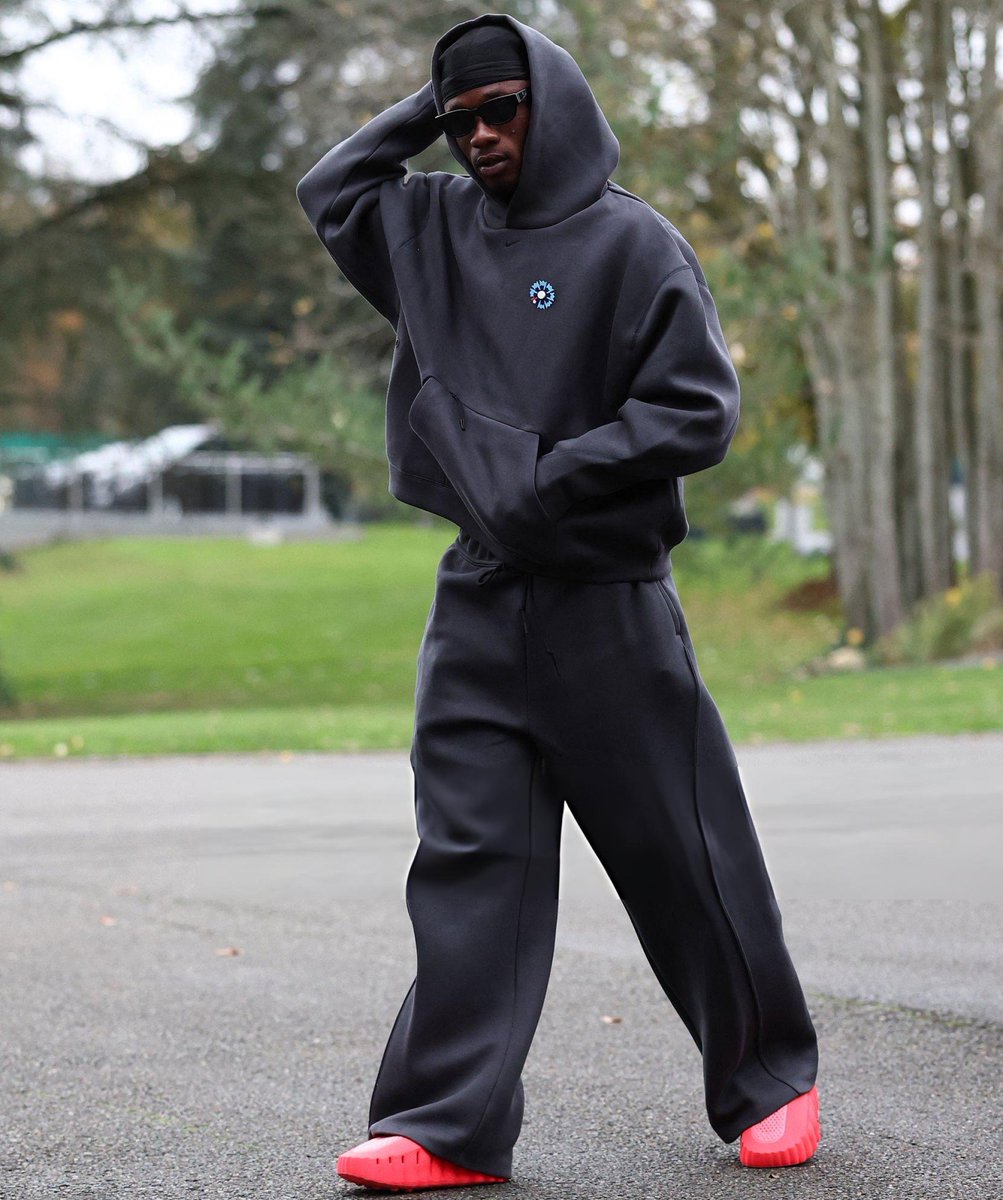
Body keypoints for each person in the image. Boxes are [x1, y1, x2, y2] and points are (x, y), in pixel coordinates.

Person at [296, 12, 821, 1192]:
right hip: (478, 601)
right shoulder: (425, 227)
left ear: (556, 106)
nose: (480, 135)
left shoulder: (633, 247)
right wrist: (422, 108)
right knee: (468, 861)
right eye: (461, 116)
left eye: (502, 110)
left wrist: (547, 476)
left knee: (681, 857)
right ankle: (446, 1125)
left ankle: (772, 1085)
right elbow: (330, 188)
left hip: (606, 604)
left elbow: (698, 411)